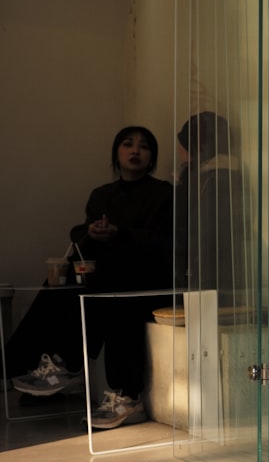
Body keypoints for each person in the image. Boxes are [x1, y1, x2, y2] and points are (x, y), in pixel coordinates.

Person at [7, 126, 173, 429]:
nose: (135, 151)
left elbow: (163, 242)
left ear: (152, 157)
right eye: (127, 144)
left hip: (148, 276)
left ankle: (63, 363)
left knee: (105, 284)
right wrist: (94, 233)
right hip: (108, 274)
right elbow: (82, 234)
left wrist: (119, 234)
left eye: (144, 147)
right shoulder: (102, 195)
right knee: (70, 274)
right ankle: (54, 363)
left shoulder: (163, 192)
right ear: (116, 153)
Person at [175, 111, 248, 307]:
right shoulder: (225, 174)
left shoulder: (213, 178)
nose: (180, 153)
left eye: (183, 146)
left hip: (211, 277)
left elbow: (203, 234)